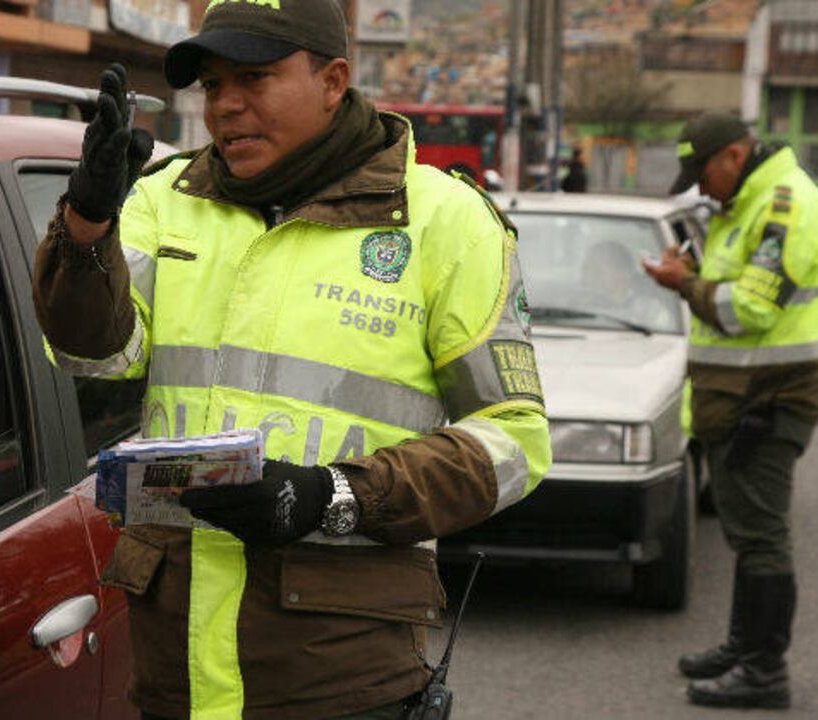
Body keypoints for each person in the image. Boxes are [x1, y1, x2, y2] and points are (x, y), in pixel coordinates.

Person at [32, 1, 551, 717]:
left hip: (338, 680)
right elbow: (93, 355)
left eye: (254, 77)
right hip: (171, 673)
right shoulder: (160, 199)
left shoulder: (445, 222)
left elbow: (515, 441)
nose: (226, 106)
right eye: (212, 85)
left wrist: (333, 497)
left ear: (333, 80)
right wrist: (85, 226)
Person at [643, 111, 818, 710]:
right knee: (749, 535)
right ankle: (744, 647)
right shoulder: (743, 205)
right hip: (744, 399)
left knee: (763, 537)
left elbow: (750, 310)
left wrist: (682, 285)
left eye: (704, 172)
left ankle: (764, 671)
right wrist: (696, 275)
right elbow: (739, 289)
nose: (701, 186)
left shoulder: (782, 205)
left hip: (768, 401)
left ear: (735, 156)